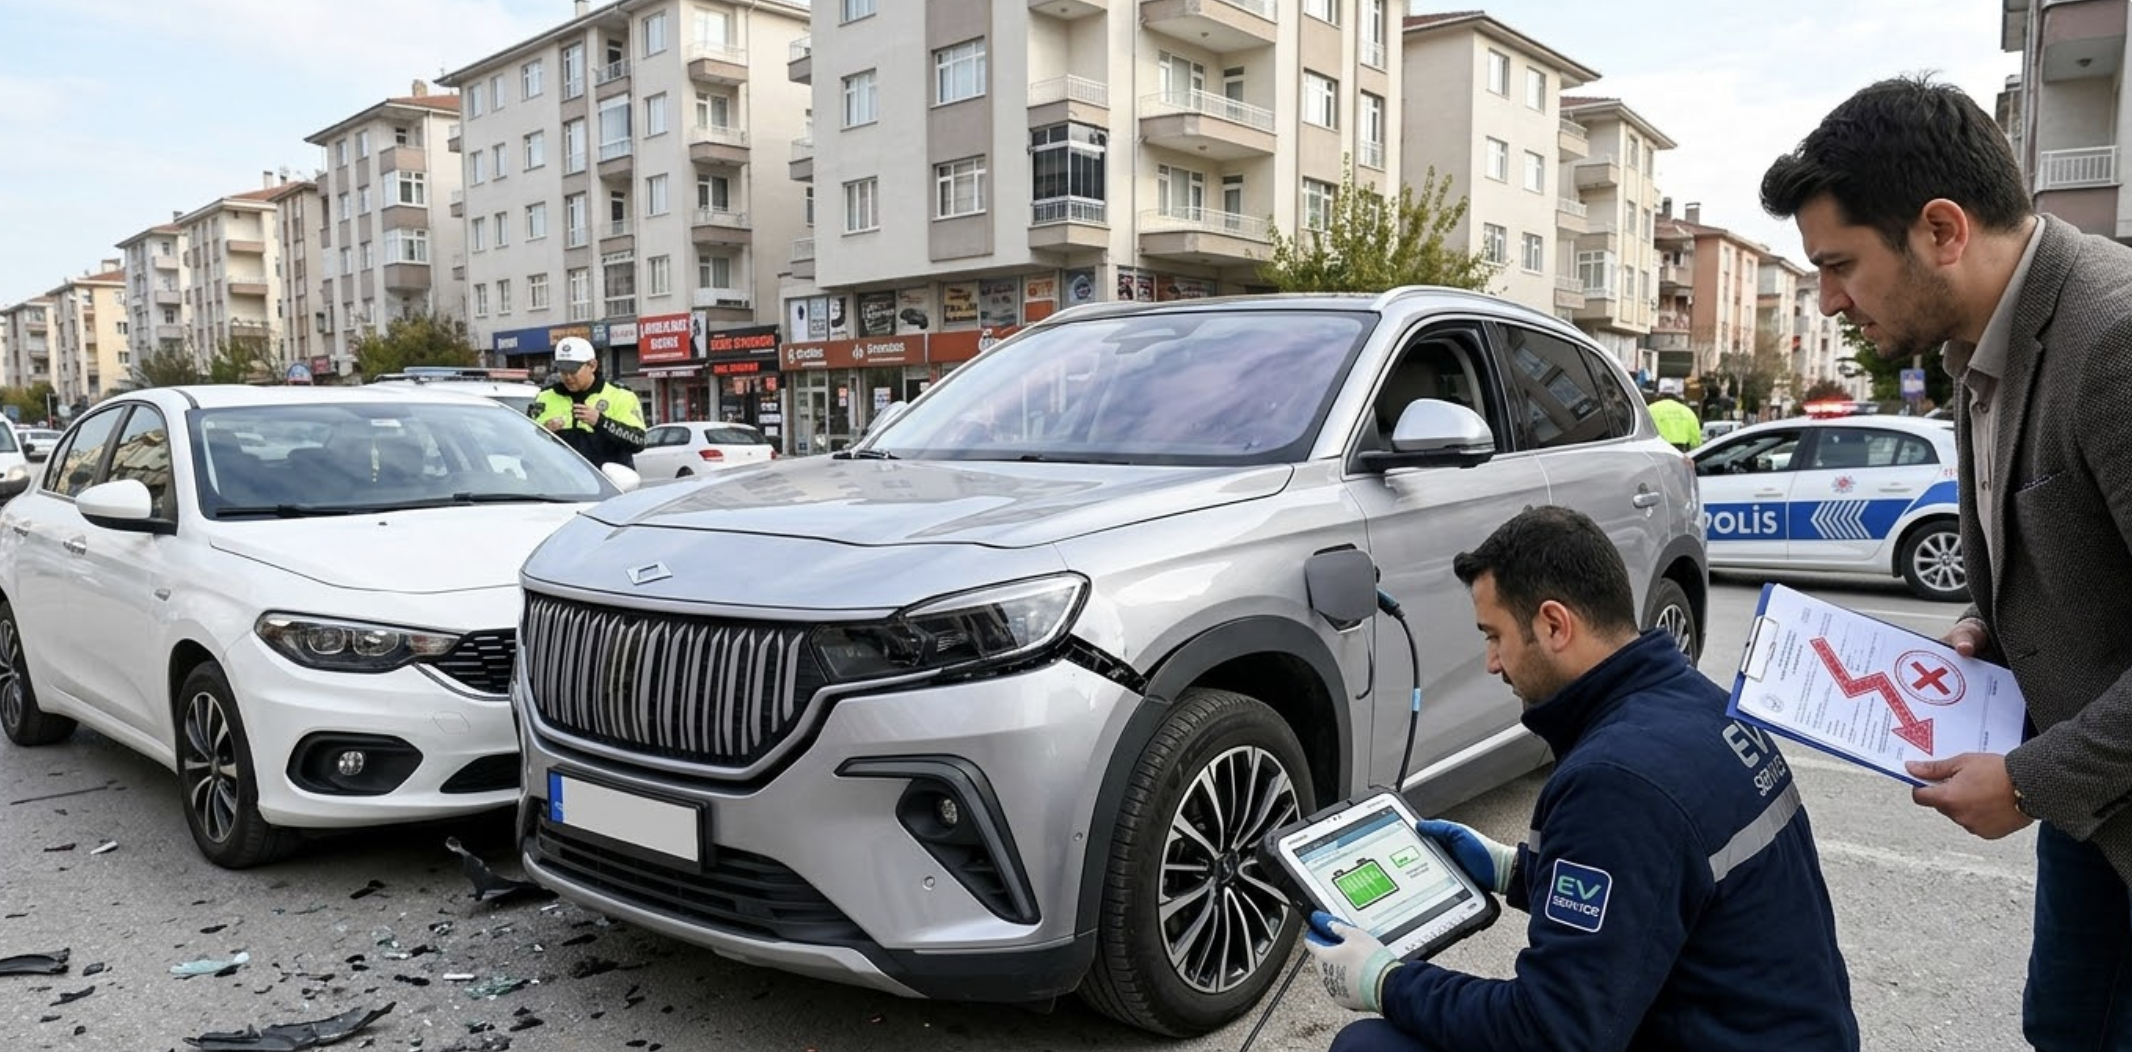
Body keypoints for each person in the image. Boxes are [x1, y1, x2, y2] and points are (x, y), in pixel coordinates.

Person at [1761, 74, 2132, 1050]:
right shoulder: (1978, 346)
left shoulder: (2112, 338)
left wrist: (2022, 780)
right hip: (2091, 814)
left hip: (2082, 781)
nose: (1829, 299)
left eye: (1839, 263)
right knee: (2059, 1025)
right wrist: (1989, 629)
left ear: (1939, 229)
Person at [1305, 505, 1858, 1052]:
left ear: (1553, 624)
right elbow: (1654, 887)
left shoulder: (1615, 781)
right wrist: (1516, 871)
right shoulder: (1699, 704)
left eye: (1494, 635)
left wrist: (1386, 980)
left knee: (1371, 1047)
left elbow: (1552, 1033)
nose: (1492, 662)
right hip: (1779, 1028)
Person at [530, 336, 646, 469]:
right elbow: (527, 443)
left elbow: (638, 442)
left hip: (608, 484)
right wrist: (544, 432)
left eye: (573, 370)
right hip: (561, 484)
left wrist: (601, 422)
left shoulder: (620, 395)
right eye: (562, 370)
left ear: (592, 365)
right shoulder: (545, 397)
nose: (568, 376)